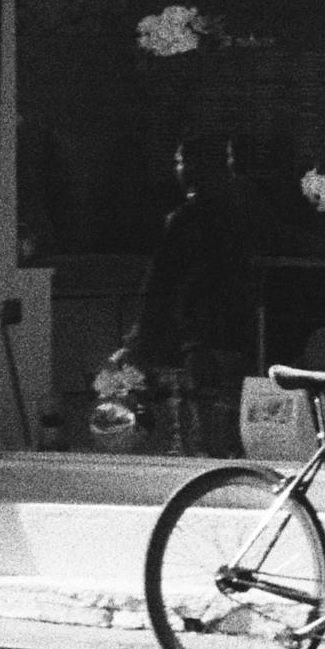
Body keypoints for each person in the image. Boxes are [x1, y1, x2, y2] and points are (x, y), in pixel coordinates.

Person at [116, 135, 262, 458]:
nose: (177, 169)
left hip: (197, 340)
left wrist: (139, 339)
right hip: (237, 335)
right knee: (229, 422)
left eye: (180, 161)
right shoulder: (240, 215)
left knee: (196, 426)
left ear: (194, 168)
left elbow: (159, 286)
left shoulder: (184, 219)